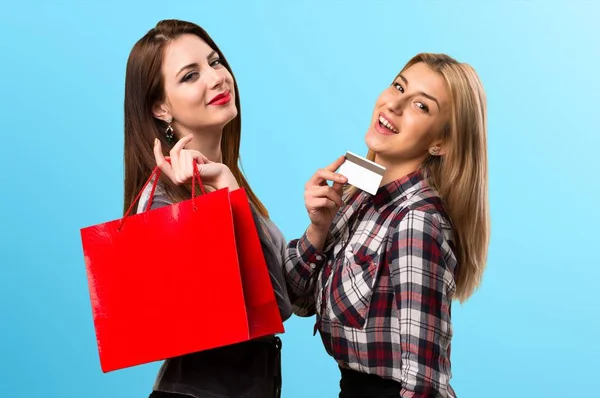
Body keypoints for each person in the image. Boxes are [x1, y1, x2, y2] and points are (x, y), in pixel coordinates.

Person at [284, 53, 490, 397]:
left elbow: (423, 382)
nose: (394, 104)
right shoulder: (357, 196)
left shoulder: (417, 221)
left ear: (440, 143)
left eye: (421, 106)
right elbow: (296, 300)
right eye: (399, 86)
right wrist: (318, 229)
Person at [122, 19, 293, 398]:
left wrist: (319, 227)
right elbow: (273, 310)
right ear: (161, 108)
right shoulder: (166, 202)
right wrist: (227, 195)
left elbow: (291, 293)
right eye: (190, 75)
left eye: (215, 62)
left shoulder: (222, 180)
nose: (217, 78)